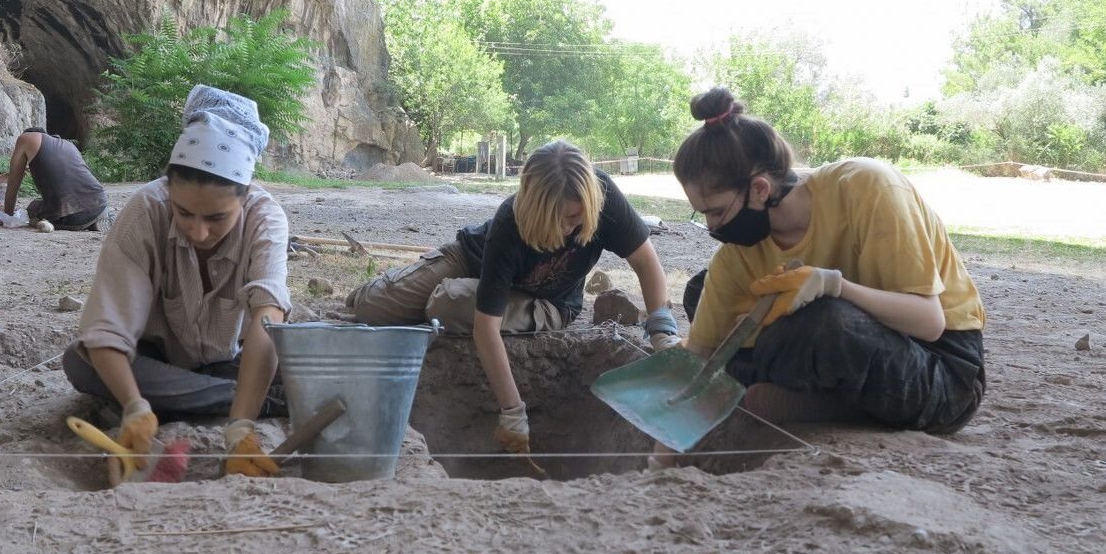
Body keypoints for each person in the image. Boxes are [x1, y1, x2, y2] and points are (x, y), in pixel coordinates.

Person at [658, 87, 986, 465]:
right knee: (703, 292)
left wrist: (836, 285)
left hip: (941, 371)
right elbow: (701, 358)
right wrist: (660, 458)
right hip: (844, 347)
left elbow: (929, 321)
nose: (713, 227)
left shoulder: (870, 188)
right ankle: (823, 397)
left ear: (759, 189)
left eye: (716, 212)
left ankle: (824, 404)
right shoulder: (739, 253)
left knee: (824, 322)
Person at [346, 139, 679, 456]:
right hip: (473, 259)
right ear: (533, 207)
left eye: (576, 218)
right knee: (371, 307)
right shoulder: (510, 220)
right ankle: (412, 291)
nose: (568, 228)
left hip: (547, 301)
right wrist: (513, 410)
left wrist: (662, 332)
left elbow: (646, 262)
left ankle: (444, 302)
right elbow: (486, 328)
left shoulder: (601, 195)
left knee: (448, 303)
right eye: (559, 218)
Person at [62, 85, 290, 478]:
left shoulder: (266, 219)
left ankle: (220, 402)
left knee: (302, 363)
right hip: (156, 361)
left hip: (231, 361)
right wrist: (134, 406)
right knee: (81, 363)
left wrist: (240, 431)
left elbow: (267, 321)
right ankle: (255, 400)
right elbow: (107, 329)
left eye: (216, 218)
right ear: (169, 189)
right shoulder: (146, 210)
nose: (198, 232)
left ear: (245, 196)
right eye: (184, 213)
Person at [1, 128, 112, 231]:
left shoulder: (26, 138)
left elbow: (13, 183)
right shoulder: (69, 145)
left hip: (71, 216)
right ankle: (94, 220)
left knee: (33, 206)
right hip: (100, 204)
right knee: (46, 202)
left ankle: (44, 222)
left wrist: (8, 215)